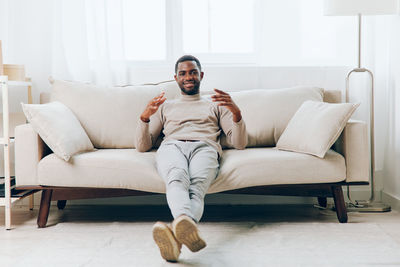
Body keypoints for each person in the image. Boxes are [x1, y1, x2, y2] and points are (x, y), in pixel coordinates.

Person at [135, 55, 248, 262]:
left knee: (196, 187)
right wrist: (144, 118)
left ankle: (176, 236)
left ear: (201, 75)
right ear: (176, 78)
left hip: (205, 147)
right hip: (172, 146)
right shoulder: (166, 106)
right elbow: (143, 147)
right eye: (183, 73)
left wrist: (236, 113)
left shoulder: (216, 104)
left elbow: (239, 143)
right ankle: (184, 225)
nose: (188, 77)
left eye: (193, 72)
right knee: (177, 178)